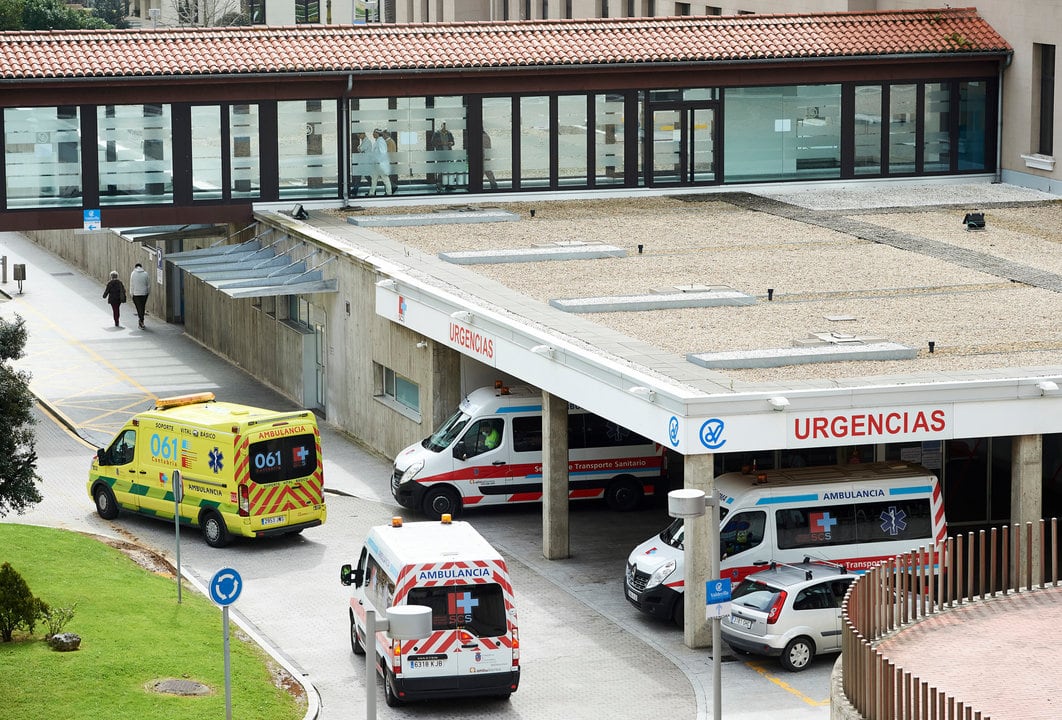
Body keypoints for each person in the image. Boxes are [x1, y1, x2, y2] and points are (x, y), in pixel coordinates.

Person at [368, 129, 392, 196]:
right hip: (376, 164)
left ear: (378, 133)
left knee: (385, 179)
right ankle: (371, 193)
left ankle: (389, 193)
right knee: (374, 179)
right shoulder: (377, 141)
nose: (373, 134)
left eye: (374, 133)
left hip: (379, 164)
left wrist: (379, 161)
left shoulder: (380, 141)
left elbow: (383, 152)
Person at [129, 262, 150, 329]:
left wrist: (131, 294)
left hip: (136, 294)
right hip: (144, 293)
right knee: (142, 307)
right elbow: (148, 285)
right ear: (141, 267)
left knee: (139, 308)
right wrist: (148, 292)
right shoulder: (145, 274)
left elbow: (131, 285)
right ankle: (141, 321)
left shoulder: (133, 274)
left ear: (135, 267)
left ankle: (141, 321)